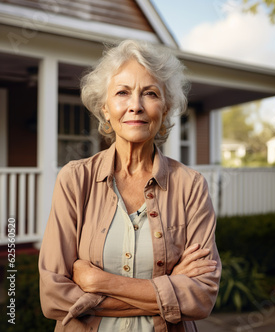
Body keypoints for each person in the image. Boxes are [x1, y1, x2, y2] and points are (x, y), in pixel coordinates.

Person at [38, 40, 221, 332]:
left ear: (166, 108)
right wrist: (171, 290)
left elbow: (200, 296)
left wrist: (101, 283)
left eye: (150, 93)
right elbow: (53, 297)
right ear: (105, 109)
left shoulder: (191, 185)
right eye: (122, 92)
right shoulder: (75, 180)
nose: (135, 106)